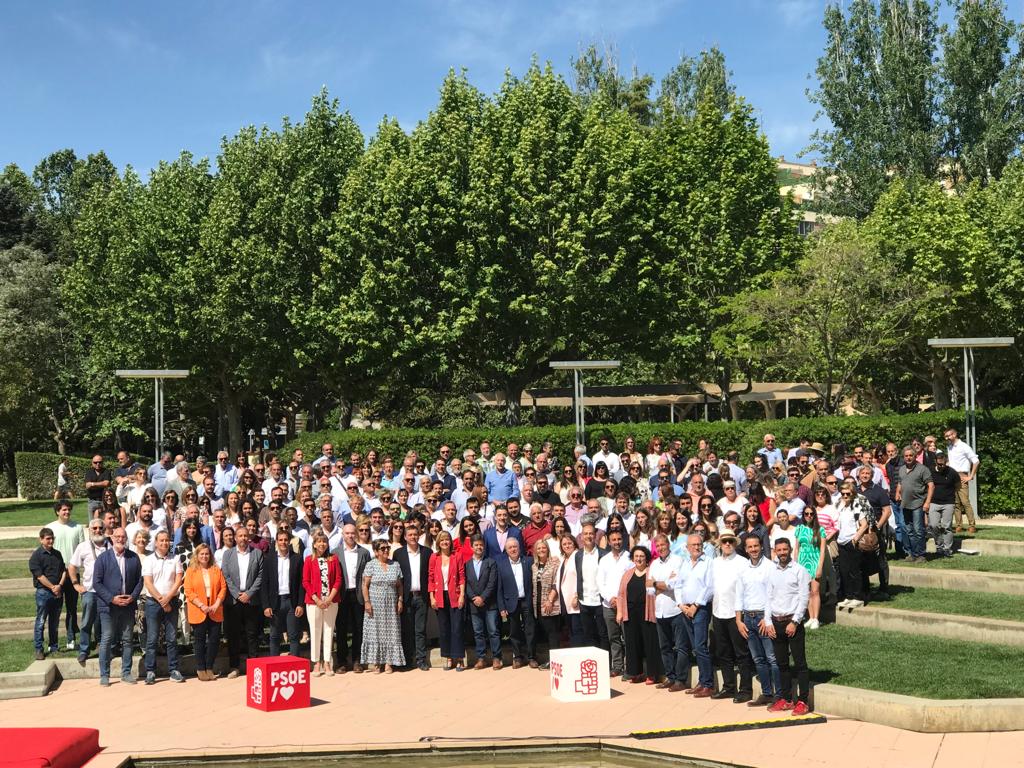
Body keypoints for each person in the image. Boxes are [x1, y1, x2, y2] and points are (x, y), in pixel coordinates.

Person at [764, 539, 812, 715]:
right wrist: (768, 621)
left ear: (790, 550)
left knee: (800, 664)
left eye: (785, 549)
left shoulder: (799, 571)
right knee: (782, 664)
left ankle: (803, 701)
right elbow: (768, 598)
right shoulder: (772, 571)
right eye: (779, 550)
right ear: (775, 551)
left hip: (793, 622)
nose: (782, 552)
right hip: (776, 622)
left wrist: (795, 621)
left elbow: (804, 598)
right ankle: (786, 699)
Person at [93, 527, 143, 686]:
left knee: (127, 639)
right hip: (109, 606)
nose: (120, 539)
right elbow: (97, 583)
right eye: (118, 536)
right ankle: (104, 675)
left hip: (127, 605)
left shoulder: (133, 558)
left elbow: (140, 581)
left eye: (123, 536)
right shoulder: (103, 558)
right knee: (107, 639)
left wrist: (132, 597)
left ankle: (126, 673)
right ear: (112, 538)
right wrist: (112, 599)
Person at [734, 536, 779, 707]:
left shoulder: (769, 566)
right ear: (745, 549)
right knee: (758, 659)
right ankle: (767, 693)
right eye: (750, 546)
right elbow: (739, 595)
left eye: (756, 546)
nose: (753, 549)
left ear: (761, 547)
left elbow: (772, 594)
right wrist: (739, 620)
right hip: (748, 617)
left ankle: (779, 694)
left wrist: (768, 619)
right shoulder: (743, 569)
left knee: (771, 658)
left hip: (763, 617)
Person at [710, 531, 753, 702]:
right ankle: (728, 687)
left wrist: (740, 616)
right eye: (724, 541)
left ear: (735, 544)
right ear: (720, 544)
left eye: (730, 541)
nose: (727, 544)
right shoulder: (714, 563)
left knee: (741, 653)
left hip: (735, 613)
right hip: (718, 611)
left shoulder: (743, 562)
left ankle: (745, 689)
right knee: (723, 652)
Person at [673, 533, 714, 697]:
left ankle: (708, 684)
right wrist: (681, 605)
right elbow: (678, 585)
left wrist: (695, 606)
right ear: (687, 547)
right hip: (686, 609)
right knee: (695, 648)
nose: (697, 547)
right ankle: (702, 681)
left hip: (700, 609)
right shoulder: (684, 563)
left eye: (699, 544)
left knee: (701, 646)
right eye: (694, 545)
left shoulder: (708, 563)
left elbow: (709, 587)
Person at [221, 525, 264, 678]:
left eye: (245, 536)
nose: (243, 539)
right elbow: (225, 575)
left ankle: (254, 667)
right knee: (234, 635)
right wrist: (236, 594)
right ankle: (234, 667)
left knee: (252, 634)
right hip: (233, 601)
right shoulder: (228, 554)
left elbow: (260, 575)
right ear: (235, 538)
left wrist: (249, 593)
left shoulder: (257, 553)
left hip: (251, 601)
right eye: (240, 536)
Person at [141, 531, 184, 684]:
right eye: (162, 540)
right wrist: (161, 600)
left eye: (167, 540)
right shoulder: (149, 560)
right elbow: (148, 582)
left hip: (171, 601)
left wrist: (167, 599)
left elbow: (178, 580)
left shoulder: (176, 558)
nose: (165, 543)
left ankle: (173, 670)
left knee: (171, 638)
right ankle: (150, 671)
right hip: (154, 603)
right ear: (156, 542)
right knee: (152, 639)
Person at [617, 545, 662, 685]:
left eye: (642, 556)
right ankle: (636, 672)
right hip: (630, 612)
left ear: (647, 558)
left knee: (650, 643)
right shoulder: (627, 574)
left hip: (647, 611)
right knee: (632, 643)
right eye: (636, 556)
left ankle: (652, 674)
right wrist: (619, 612)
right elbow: (620, 594)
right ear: (632, 558)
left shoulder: (651, 572)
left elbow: (657, 590)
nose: (639, 558)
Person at [68, 519, 109, 664]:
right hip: (89, 591)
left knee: (105, 622)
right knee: (86, 622)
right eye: (95, 528)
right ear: (90, 530)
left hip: (107, 592)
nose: (98, 530)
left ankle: (104, 648)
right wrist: (75, 584)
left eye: (100, 528)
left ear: (105, 529)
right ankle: (84, 650)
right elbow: (72, 567)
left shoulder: (111, 546)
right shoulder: (83, 547)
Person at [361, 538, 405, 673]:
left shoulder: (395, 565)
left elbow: (399, 585)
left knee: (392, 632)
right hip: (375, 605)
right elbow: (365, 585)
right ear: (376, 551)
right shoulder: (371, 565)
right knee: (375, 632)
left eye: (387, 548)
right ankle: (376, 662)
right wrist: (367, 602)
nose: (386, 550)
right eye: (382, 548)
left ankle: (389, 662)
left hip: (391, 605)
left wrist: (400, 600)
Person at [184, 543, 226, 681]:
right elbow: (188, 591)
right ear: (197, 555)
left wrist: (216, 604)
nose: (204, 556)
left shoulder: (216, 569)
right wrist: (201, 605)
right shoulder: (191, 570)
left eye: (207, 554)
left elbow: (223, 588)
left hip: (214, 608)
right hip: (198, 609)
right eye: (201, 554)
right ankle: (200, 668)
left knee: (214, 640)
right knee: (199, 641)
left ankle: (209, 668)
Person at [393, 522, 431, 671]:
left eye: (415, 534)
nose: (413, 537)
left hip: (421, 596)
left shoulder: (427, 552)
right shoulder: (399, 554)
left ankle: (421, 660)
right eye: (410, 535)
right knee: (407, 630)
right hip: (406, 597)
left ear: (419, 535)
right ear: (405, 537)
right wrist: (399, 598)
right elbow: (397, 578)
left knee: (420, 630)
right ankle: (408, 660)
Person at [47, 501, 85, 650]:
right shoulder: (50, 527)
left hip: (72, 573)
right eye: (64, 510)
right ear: (57, 511)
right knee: (55, 610)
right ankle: (53, 642)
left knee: (72, 608)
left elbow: (82, 549)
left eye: (69, 509)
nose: (67, 512)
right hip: (55, 574)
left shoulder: (77, 527)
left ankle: (71, 638)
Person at [303, 530, 340, 675]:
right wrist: (317, 599)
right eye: (319, 541)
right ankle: (316, 663)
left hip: (331, 601)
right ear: (314, 544)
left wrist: (330, 598)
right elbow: (306, 582)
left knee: (329, 631)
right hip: (314, 602)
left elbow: (338, 580)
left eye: (324, 541)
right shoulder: (308, 560)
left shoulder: (333, 559)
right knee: (315, 631)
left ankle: (327, 663)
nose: (322, 544)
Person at [335, 522, 371, 673]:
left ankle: (357, 660)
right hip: (342, 595)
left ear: (355, 534)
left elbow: (368, 574)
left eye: (352, 533)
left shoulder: (363, 552)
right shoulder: (335, 553)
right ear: (342, 535)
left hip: (358, 595)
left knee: (359, 629)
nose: (350, 536)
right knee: (341, 629)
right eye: (347, 533)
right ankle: (342, 662)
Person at [496, 538, 537, 668]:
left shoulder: (528, 561)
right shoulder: (501, 565)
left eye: (515, 547)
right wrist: (501, 606)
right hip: (511, 602)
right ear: (506, 550)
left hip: (526, 600)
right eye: (510, 548)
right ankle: (518, 657)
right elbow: (499, 588)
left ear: (519, 548)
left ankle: (531, 657)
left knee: (530, 630)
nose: (513, 549)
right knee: (514, 631)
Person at [263, 529, 305, 657]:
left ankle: (294, 664)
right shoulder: (269, 559)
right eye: (280, 540)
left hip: (291, 602)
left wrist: (300, 604)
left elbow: (301, 584)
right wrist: (266, 606)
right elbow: (264, 584)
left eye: (285, 540)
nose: (283, 542)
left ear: (289, 541)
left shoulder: (297, 559)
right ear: (276, 542)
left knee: (293, 635)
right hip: (275, 602)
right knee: (275, 636)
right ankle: (274, 664)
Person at [428, 530, 466, 670]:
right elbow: (430, 577)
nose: (445, 542)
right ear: (438, 543)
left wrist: (462, 595)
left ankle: (460, 658)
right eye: (442, 540)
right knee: (444, 629)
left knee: (457, 628)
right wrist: (432, 597)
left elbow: (462, 576)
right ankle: (449, 657)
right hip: (440, 596)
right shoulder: (434, 557)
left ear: (451, 542)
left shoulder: (457, 556)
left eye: (447, 540)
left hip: (454, 595)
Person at [598, 529, 632, 679]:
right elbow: (600, 582)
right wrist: (611, 598)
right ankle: (617, 666)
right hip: (608, 604)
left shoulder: (629, 558)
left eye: (619, 539)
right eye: (614, 539)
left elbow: (630, 581)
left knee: (628, 636)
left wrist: (620, 600)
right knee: (614, 637)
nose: (617, 542)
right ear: (609, 541)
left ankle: (629, 667)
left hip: (625, 604)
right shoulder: (604, 560)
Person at [29, 527, 66, 660]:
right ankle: (39, 649)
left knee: (54, 622)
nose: (51, 541)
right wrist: (52, 587)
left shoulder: (58, 554)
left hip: (57, 592)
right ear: (41, 540)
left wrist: (60, 586)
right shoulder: (36, 556)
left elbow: (64, 571)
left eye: (52, 538)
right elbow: (39, 576)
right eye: (48, 538)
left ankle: (54, 647)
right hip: (43, 592)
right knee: (40, 621)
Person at [465, 533, 501, 668]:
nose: (479, 547)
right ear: (471, 547)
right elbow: (466, 583)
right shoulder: (467, 564)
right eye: (476, 545)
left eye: (481, 545)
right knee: (478, 632)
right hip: (474, 604)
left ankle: (497, 657)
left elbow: (492, 582)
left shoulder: (490, 562)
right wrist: (474, 597)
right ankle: (481, 658)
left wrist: (483, 597)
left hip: (489, 603)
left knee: (493, 631)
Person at [895, 445, 934, 564]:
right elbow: (900, 483)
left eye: (910, 455)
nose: (908, 458)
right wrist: (897, 493)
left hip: (918, 503)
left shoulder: (923, 469)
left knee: (918, 530)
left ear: (915, 456)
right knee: (908, 530)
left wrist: (927, 502)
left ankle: (921, 554)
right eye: (906, 456)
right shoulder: (901, 469)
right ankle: (912, 553)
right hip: (905, 504)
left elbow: (931, 486)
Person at [575, 522, 609, 650]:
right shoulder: (578, 555)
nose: (588, 536)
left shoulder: (603, 554)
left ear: (595, 536)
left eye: (591, 533)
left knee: (603, 633)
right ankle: (593, 663)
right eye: (585, 534)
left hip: (600, 601)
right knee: (588, 634)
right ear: (581, 537)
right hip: (584, 601)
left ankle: (606, 662)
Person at [835, 484, 870, 609]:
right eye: (843, 493)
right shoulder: (840, 506)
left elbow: (864, 524)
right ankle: (848, 596)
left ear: (853, 494)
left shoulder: (856, 506)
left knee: (855, 570)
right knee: (844, 570)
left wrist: (855, 538)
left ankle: (858, 597)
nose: (845, 496)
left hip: (852, 542)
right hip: (841, 541)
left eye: (847, 494)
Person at [793, 508, 827, 629]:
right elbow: (796, 548)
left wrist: (820, 567)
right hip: (802, 563)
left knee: (815, 591)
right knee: (805, 592)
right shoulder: (799, 529)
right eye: (806, 514)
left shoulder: (820, 530)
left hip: (814, 561)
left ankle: (816, 618)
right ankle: (810, 617)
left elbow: (823, 550)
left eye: (811, 514)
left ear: (814, 515)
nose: (809, 516)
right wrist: (795, 563)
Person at [531, 539, 561, 666]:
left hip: (551, 604)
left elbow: (556, 583)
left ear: (548, 549)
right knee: (548, 635)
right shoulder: (534, 566)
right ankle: (551, 660)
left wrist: (550, 599)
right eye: (539, 548)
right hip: (538, 606)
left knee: (553, 634)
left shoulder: (554, 563)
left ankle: (555, 662)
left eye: (543, 548)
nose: (541, 550)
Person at [944, 428, 979, 534]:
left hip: (962, 476)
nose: (947, 438)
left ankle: (972, 525)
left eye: (949, 435)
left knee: (965, 502)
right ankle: (959, 525)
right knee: (955, 503)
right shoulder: (949, 447)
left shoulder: (963, 446)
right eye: (945, 436)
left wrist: (971, 476)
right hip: (951, 476)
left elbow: (976, 461)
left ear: (954, 434)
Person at [929, 450, 959, 558]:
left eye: (943, 463)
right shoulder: (931, 472)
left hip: (948, 502)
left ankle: (947, 548)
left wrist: (951, 496)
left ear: (946, 462)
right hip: (934, 502)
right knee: (933, 525)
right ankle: (939, 546)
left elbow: (958, 486)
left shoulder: (952, 472)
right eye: (939, 464)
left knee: (947, 526)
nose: (941, 466)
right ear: (935, 462)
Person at [556, 534, 584, 646]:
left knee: (578, 631)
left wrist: (577, 596)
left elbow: (582, 578)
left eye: (569, 543)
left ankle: (579, 658)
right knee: (571, 630)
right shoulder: (563, 559)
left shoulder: (578, 556)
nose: (567, 546)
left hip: (575, 600)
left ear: (574, 543)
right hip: (565, 601)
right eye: (564, 544)